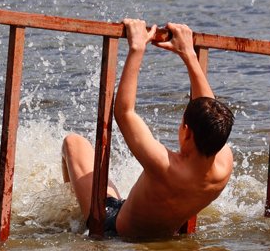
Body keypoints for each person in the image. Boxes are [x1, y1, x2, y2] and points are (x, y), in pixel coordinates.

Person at [61, 19, 234, 239]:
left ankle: (71, 215)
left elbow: (124, 113)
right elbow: (210, 108)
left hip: (113, 227)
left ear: (187, 132)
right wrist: (189, 54)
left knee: (73, 142)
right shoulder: (223, 164)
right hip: (162, 230)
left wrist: (137, 48)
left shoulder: (165, 167)